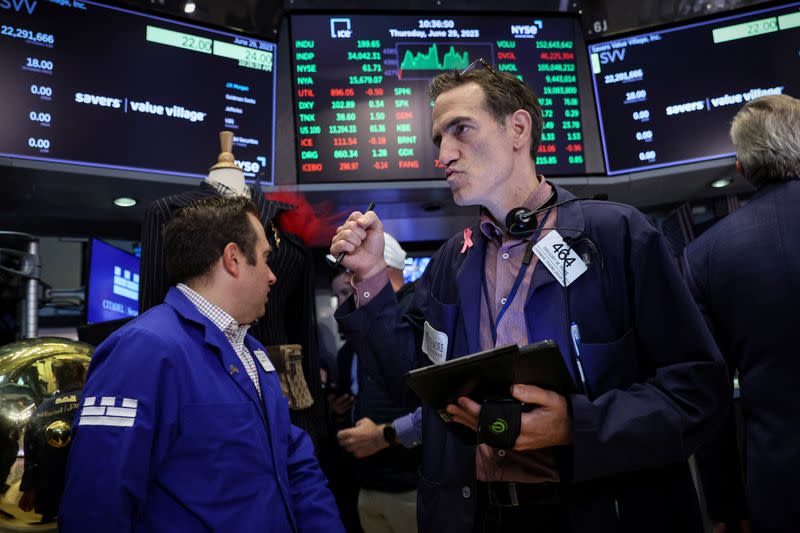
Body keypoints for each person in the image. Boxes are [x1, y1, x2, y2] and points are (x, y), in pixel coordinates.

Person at [330, 60, 728, 533]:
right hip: (479, 514)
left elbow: (697, 389)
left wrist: (576, 425)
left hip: (596, 510)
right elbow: (406, 381)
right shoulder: (450, 262)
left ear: (517, 128)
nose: (444, 154)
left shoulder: (616, 236)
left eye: (461, 129)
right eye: (439, 139)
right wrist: (371, 274)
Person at [60, 195, 343, 532]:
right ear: (234, 259)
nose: (272, 276)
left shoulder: (254, 352)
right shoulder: (143, 348)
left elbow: (294, 460)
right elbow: (97, 500)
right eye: (266, 259)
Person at [139, 131, 327, 448]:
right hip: (203, 379)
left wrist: (318, 421)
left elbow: (303, 332)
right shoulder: (173, 215)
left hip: (285, 396)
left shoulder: (288, 238)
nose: (270, 276)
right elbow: (154, 306)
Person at [683, 94, 800, 533]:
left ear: (741, 168)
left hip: (781, 490)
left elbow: (709, 398)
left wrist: (727, 508)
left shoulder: (705, 255)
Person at [334, 234, 421, 533]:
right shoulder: (369, 322)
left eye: (355, 268)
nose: (348, 278)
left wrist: (384, 435)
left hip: (410, 483)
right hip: (370, 479)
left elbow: (435, 402)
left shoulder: (413, 313)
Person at [18, 360, 85, 524]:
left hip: (49, 488)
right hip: (85, 483)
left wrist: (29, 488)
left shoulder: (42, 408)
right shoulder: (91, 402)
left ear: (55, 377)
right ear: (81, 375)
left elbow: (31, 451)